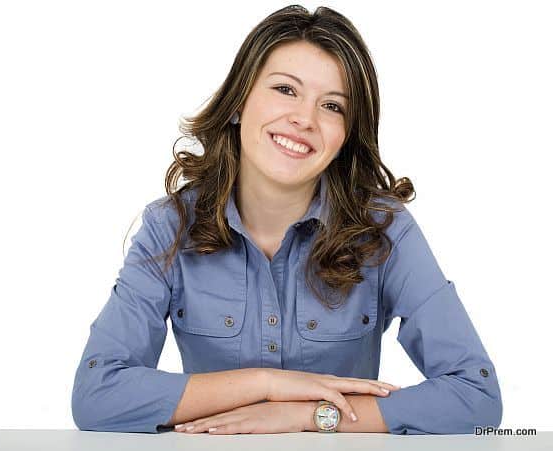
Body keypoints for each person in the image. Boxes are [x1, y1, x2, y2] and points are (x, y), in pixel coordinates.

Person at [71, 5, 502, 435]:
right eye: (286, 89)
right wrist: (270, 385)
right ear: (239, 101)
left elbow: (475, 396)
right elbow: (97, 394)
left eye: (332, 106)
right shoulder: (171, 226)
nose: (304, 119)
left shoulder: (385, 230)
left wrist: (308, 415)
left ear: (346, 136)